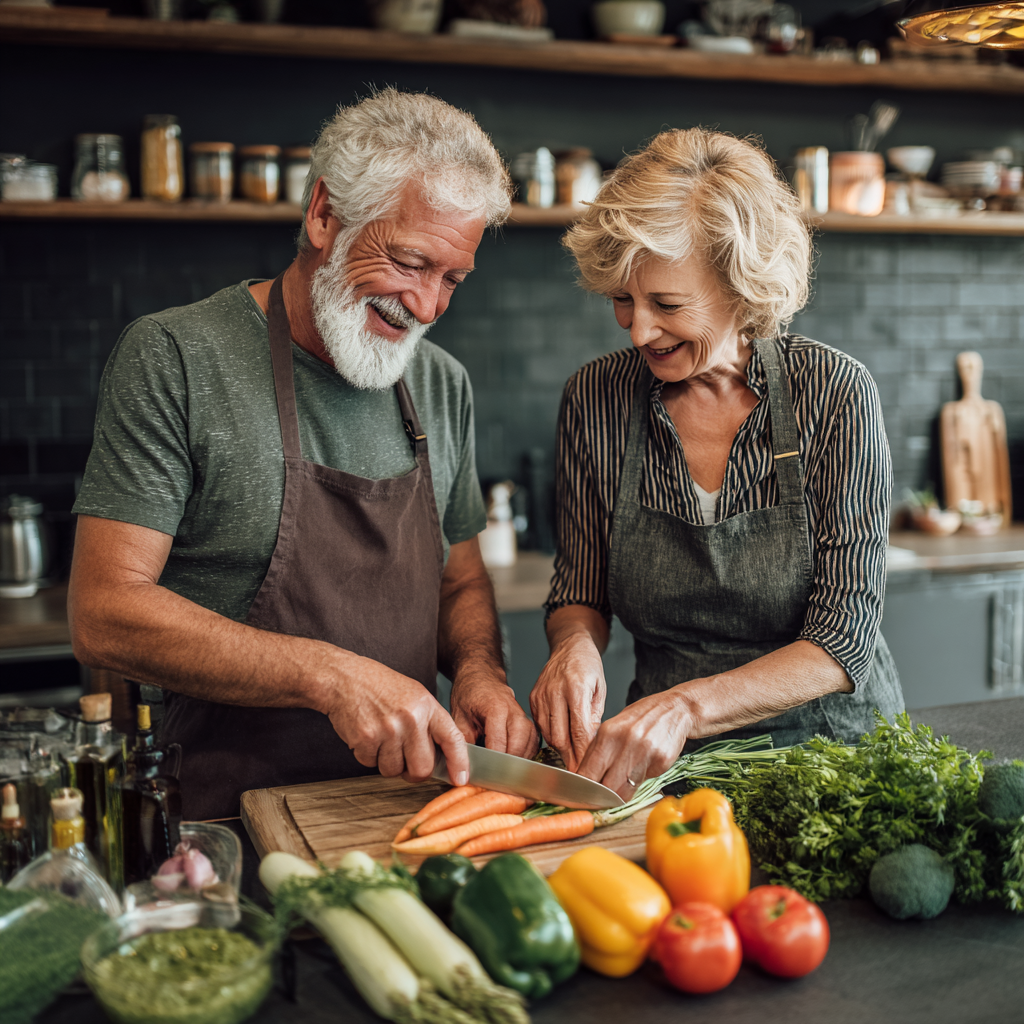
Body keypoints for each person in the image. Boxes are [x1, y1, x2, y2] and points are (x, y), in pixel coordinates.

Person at [68, 89, 538, 819]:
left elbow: (461, 580)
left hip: (403, 814)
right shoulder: (175, 357)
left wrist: (481, 673)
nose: (427, 307)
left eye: (452, 279)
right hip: (219, 825)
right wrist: (329, 676)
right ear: (324, 216)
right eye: (411, 263)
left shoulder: (443, 385)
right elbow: (104, 611)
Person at [531, 128, 904, 798]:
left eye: (667, 305)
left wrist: (684, 707)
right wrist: (573, 648)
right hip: (671, 773)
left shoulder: (836, 394)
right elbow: (580, 590)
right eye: (623, 298)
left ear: (741, 287)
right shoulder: (596, 398)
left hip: (831, 764)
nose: (638, 329)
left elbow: (842, 637)